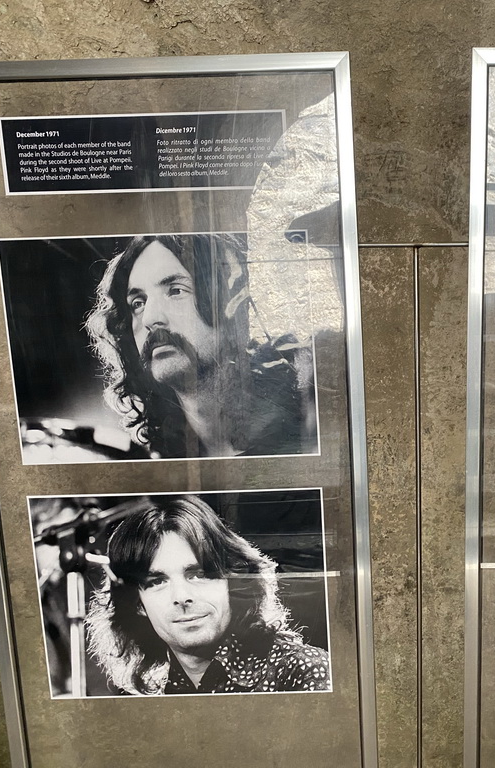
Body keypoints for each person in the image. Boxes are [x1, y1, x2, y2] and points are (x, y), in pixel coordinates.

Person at [86, 233, 318, 458]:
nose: (149, 318)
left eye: (176, 291)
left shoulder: (308, 432)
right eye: (138, 303)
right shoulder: (160, 469)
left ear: (231, 303)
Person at [85, 495, 330, 695]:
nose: (181, 597)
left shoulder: (303, 670)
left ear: (231, 582)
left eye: (198, 574)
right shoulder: (151, 694)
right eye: (157, 581)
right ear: (138, 604)